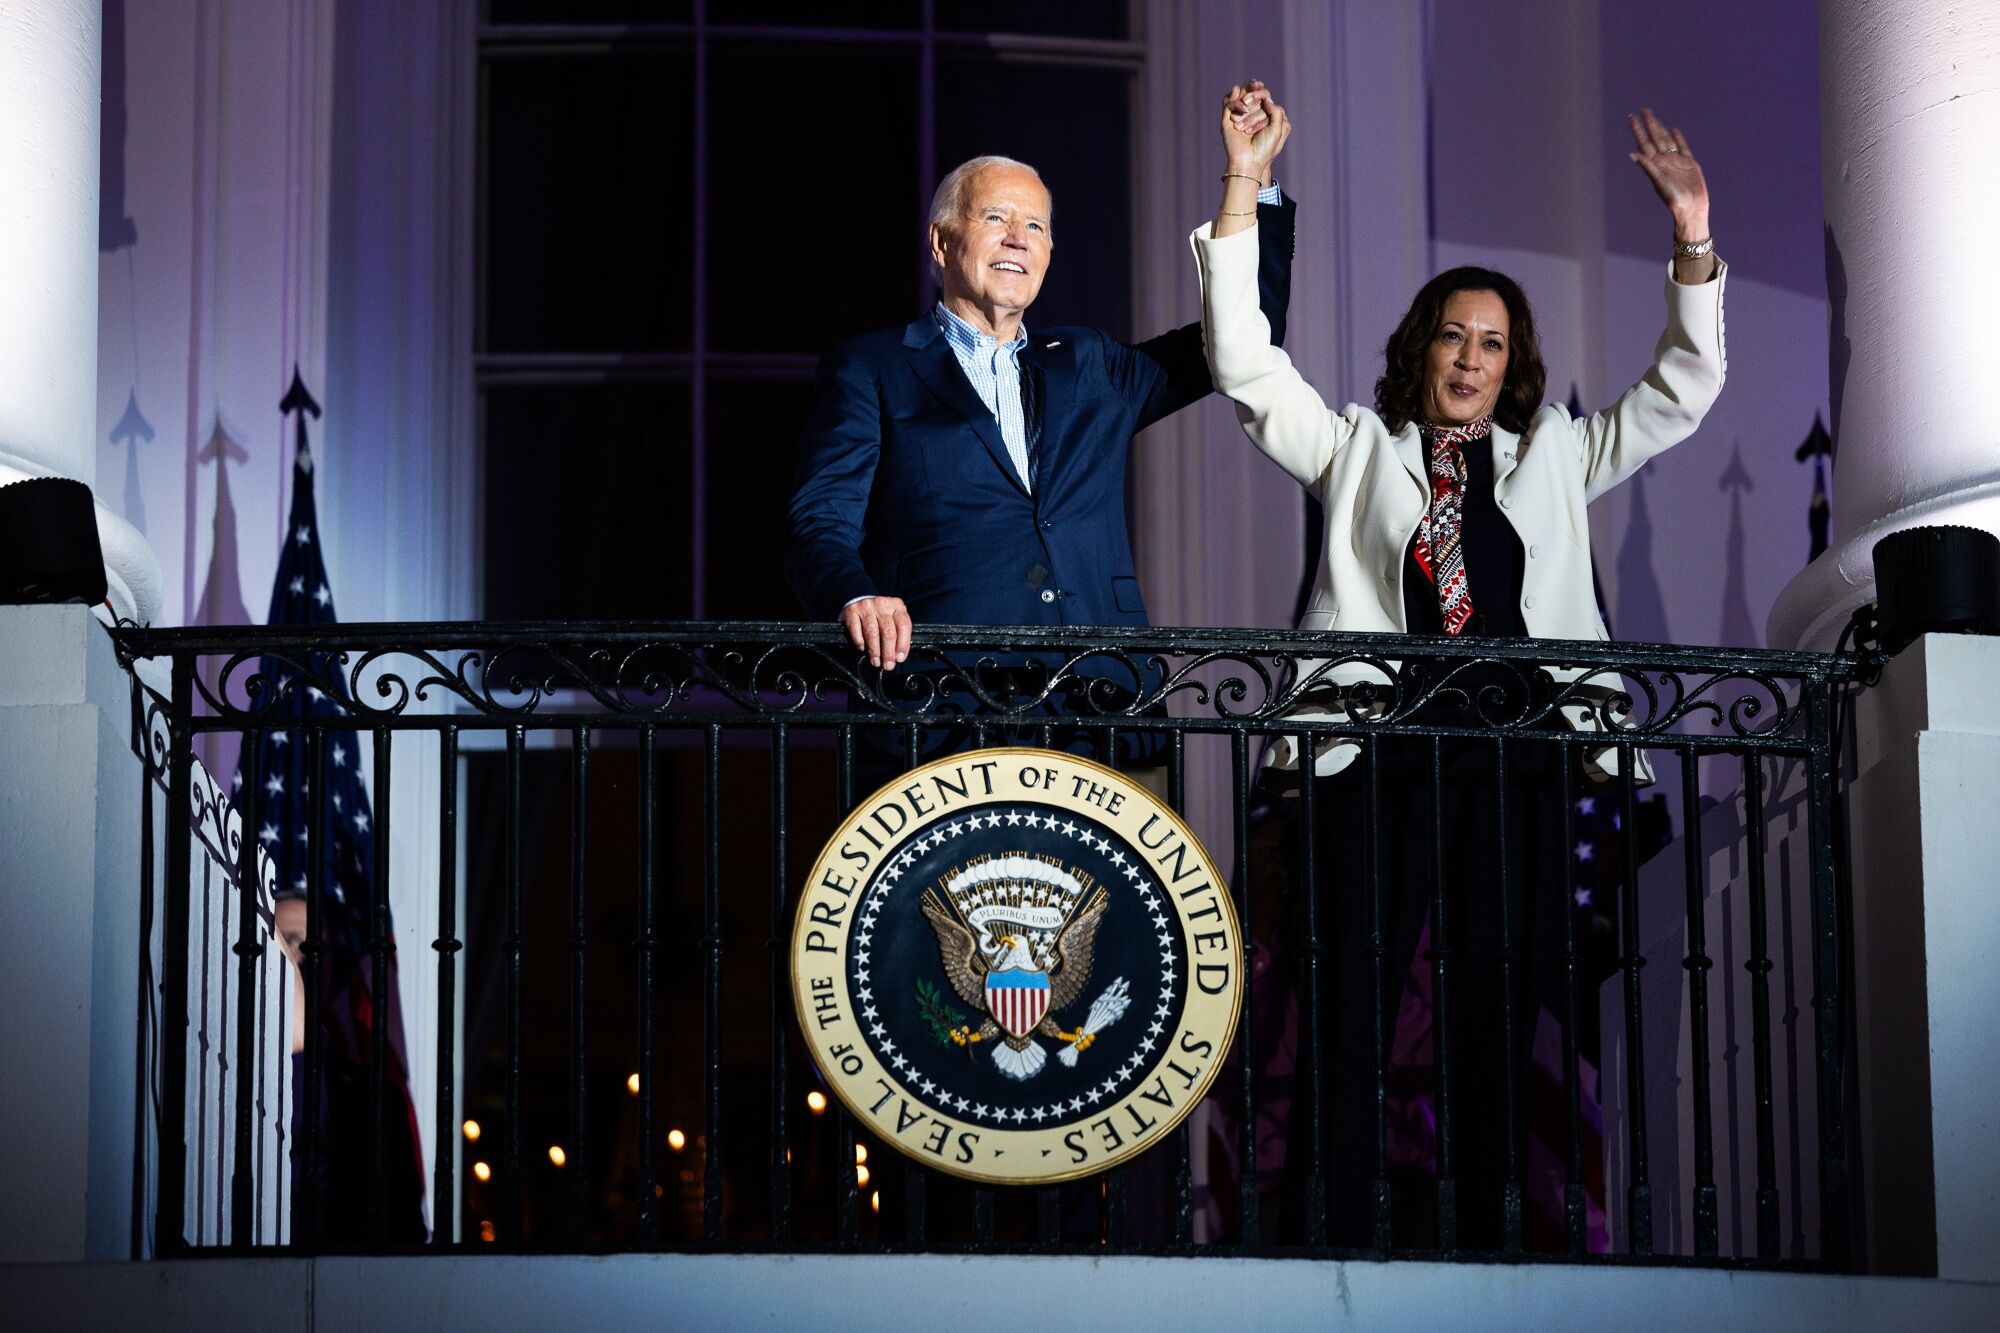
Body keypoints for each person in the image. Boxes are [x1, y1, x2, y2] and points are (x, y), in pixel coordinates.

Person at [1193, 97, 1725, 1248]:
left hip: (1516, 757)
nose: (1469, 358)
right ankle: (1329, 1225)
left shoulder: (1558, 457)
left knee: (1495, 1002)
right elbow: (1239, 362)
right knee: (1349, 999)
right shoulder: (1352, 448)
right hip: (1371, 752)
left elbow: (1682, 388)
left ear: (1511, 362)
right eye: (1451, 336)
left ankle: (1493, 1229)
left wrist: (1689, 236)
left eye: (1490, 342)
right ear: (1419, 348)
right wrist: (1242, 186)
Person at [784, 86, 1298, 731]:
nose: (1018, 240)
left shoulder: (1091, 362)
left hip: (1106, 695)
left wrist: (1250, 177)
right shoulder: (872, 367)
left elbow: (1247, 335)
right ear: (942, 243)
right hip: (946, 697)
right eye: (995, 218)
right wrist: (855, 595)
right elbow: (820, 521)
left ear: (1051, 254)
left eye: (1036, 227)